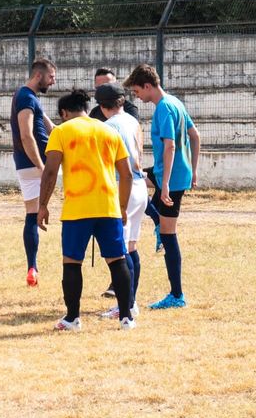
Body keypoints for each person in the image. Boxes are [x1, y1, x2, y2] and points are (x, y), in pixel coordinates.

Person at [37, 89, 134, 332]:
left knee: (72, 263)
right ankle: (126, 318)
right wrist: (121, 207)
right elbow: (127, 174)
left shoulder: (61, 131)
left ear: (63, 113)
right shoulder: (109, 131)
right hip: (108, 207)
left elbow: (50, 171)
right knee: (117, 261)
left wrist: (42, 205)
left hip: (77, 209)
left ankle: (72, 318)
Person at [123, 63, 201, 310]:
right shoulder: (175, 102)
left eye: (137, 92)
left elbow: (170, 146)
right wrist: (193, 169)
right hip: (173, 174)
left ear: (148, 86)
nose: (137, 96)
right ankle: (156, 220)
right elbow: (195, 135)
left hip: (171, 178)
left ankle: (177, 295)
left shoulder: (164, 108)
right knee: (133, 180)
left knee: (169, 235)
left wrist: (164, 184)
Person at [95, 83, 148, 319]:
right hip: (139, 185)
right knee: (131, 246)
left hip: (121, 186)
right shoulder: (132, 121)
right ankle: (131, 302)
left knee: (118, 249)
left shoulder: (108, 127)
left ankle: (125, 304)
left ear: (101, 106)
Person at [10, 58, 57, 287]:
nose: (53, 82)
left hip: (29, 163)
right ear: (39, 76)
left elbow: (52, 128)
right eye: (51, 77)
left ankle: (33, 266)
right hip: (37, 163)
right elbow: (26, 135)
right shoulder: (26, 97)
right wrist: (41, 166)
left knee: (32, 214)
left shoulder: (28, 97)